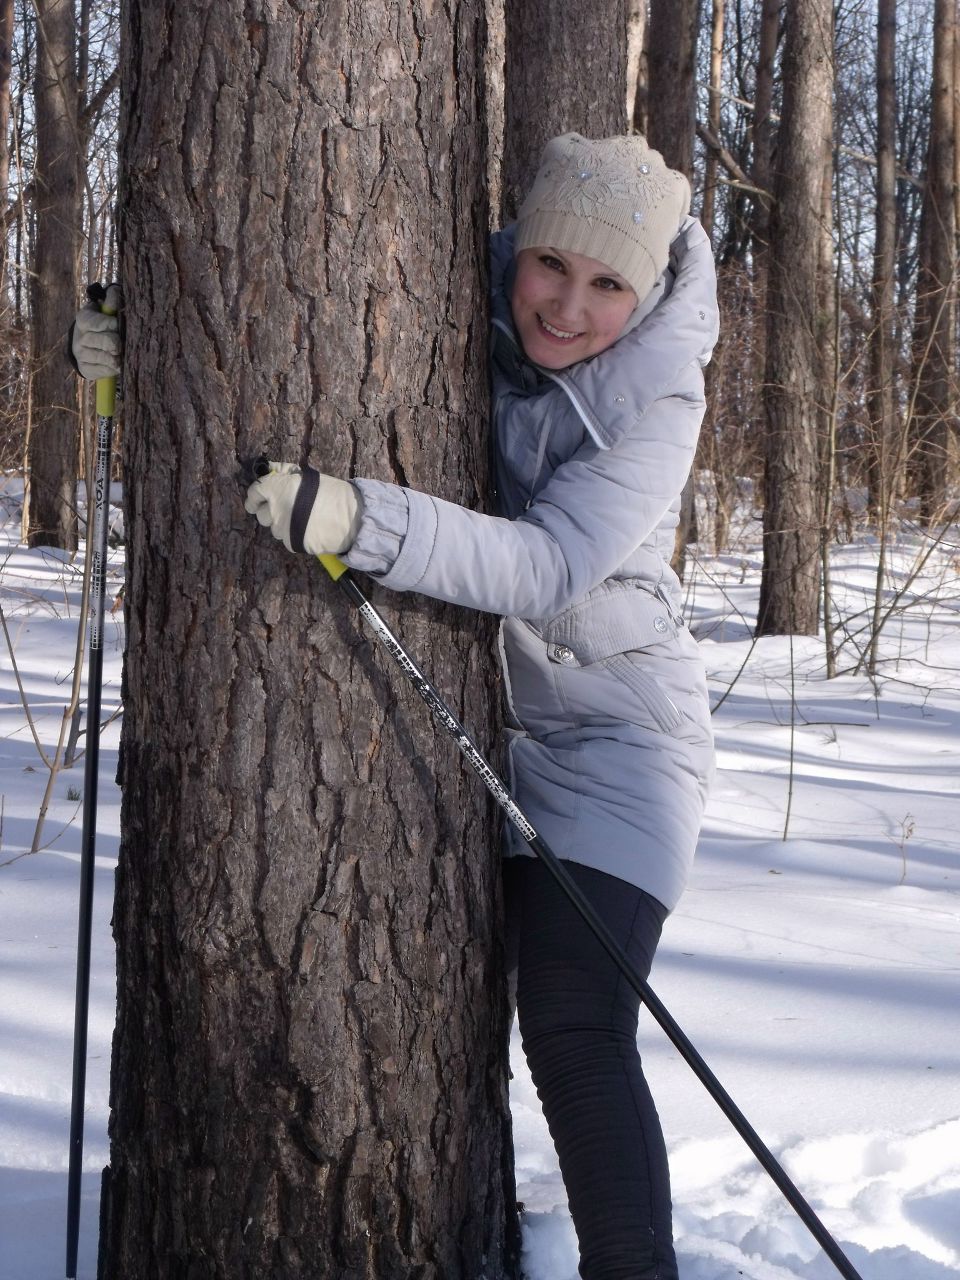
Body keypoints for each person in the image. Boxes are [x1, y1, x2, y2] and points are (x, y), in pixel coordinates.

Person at [72, 132, 718, 1280]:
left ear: (650, 285)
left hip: (618, 735)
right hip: (475, 728)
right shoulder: (446, 282)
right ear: (517, 248)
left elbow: (544, 566)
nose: (566, 306)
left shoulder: (662, 397)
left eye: (608, 282)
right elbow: (251, 323)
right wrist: (135, 342)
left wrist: (365, 522)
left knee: (574, 1025)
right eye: (549, 266)